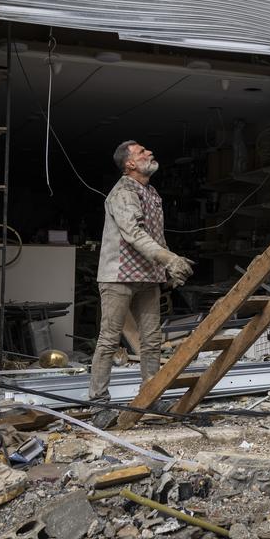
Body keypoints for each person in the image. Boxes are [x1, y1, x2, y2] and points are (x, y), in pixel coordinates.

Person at [89, 141, 194, 415]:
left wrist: (169, 265)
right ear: (130, 164)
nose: (149, 153)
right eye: (142, 152)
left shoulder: (151, 192)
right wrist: (168, 259)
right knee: (109, 340)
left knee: (151, 340)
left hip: (147, 275)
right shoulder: (123, 192)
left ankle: (151, 396)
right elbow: (133, 234)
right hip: (119, 275)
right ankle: (98, 405)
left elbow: (155, 236)